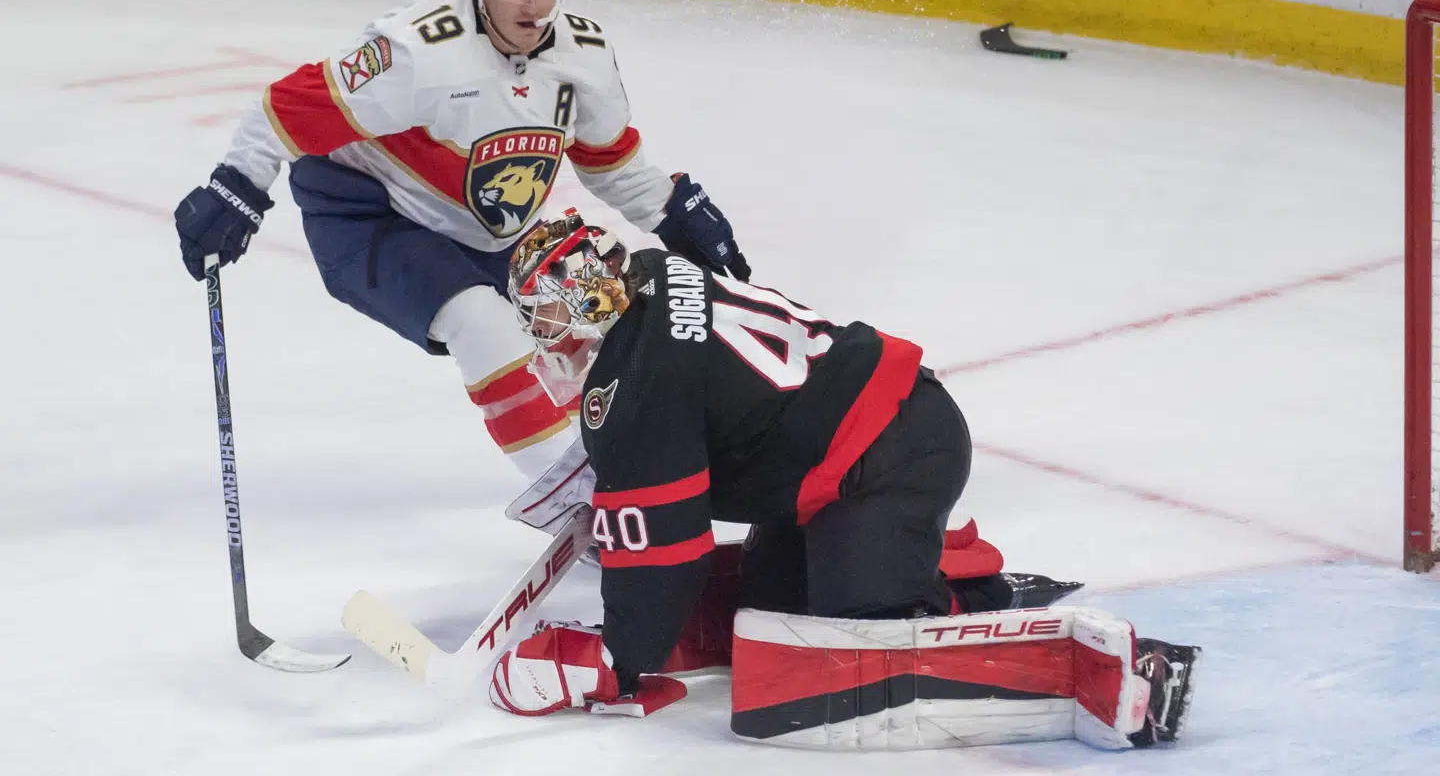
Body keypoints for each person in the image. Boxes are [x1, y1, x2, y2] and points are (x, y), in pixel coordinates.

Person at [486, 212, 1200, 752]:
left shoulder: (634, 384)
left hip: (890, 456)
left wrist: (618, 658)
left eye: (545, 314)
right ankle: (932, 559)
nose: (543, 336)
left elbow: (665, 544)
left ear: (582, 307)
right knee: (770, 609)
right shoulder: (651, 275)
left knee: (852, 640)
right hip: (846, 458)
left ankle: (1089, 657)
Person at [172, 0, 749, 483]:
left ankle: (628, 465)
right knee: (480, 319)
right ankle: (570, 496)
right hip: (371, 214)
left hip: (492, 231)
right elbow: (287, 108)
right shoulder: (418, 51)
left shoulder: (584, 58)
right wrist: (234, 188)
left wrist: (674, 213)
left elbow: (610, 163)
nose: (531, 3)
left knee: (594, 313)